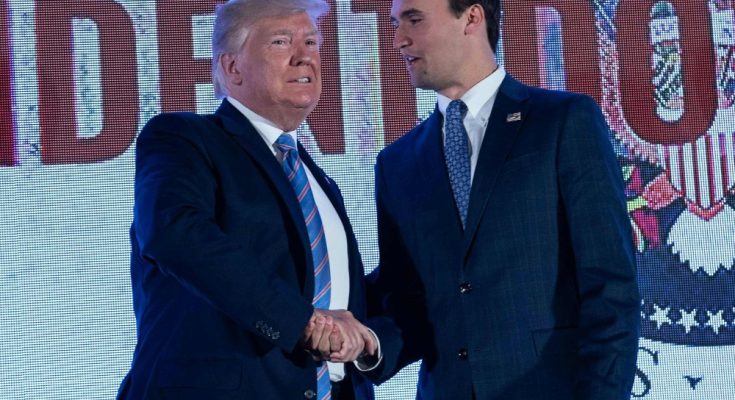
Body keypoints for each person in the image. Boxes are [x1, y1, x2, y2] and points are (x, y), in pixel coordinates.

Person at [362, 0, 641, 398]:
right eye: (394, 24)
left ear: (471, 18)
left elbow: (611, 287)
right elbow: (408, 299)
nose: (398, 40)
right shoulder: (397, 163)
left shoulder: (562, 121)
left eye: (414, 19)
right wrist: (367, 342)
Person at [117, 0, 376, 399]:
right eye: (281, 42)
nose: (304, 56)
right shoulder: (184, 139)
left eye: (311, 42)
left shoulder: (318, 181)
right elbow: (177, 235)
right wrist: (302, 321)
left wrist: (369, 338)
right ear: (232, 67)